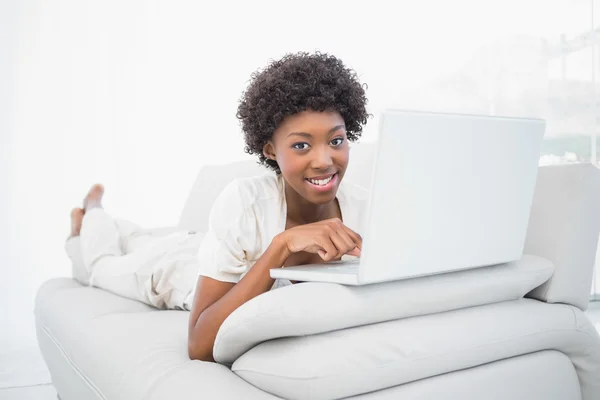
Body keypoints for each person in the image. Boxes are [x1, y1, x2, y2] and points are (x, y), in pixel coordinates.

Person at [187, 52, 370, 362]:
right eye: (301, 145)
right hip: (181, 270)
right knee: (116, 262)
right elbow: (199, 346)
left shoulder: (368, 210)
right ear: (271, 150)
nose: (324, 161)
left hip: (214, 246)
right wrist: (281, 246)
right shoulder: (246, 204)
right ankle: (90, 219)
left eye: (336, 141)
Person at [66, 184, 203, 310]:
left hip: (191, 246)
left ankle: (85, 226)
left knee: (131, 240)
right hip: (170, 268)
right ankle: (92, 212)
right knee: (101, 265)